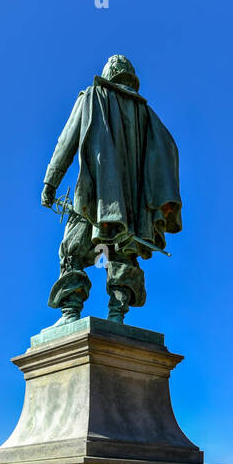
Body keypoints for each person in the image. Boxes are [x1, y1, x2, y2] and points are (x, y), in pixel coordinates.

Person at [41, 55, 182, 325]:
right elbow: (169, 152)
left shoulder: (93, 96)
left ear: (108, 74)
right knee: (122, 254)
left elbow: (66, 141)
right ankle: (117, 315)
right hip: (132, 207)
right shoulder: (148, 115)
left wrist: (51, 182)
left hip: (95, 196)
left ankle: (71, 311)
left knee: (72, 249)